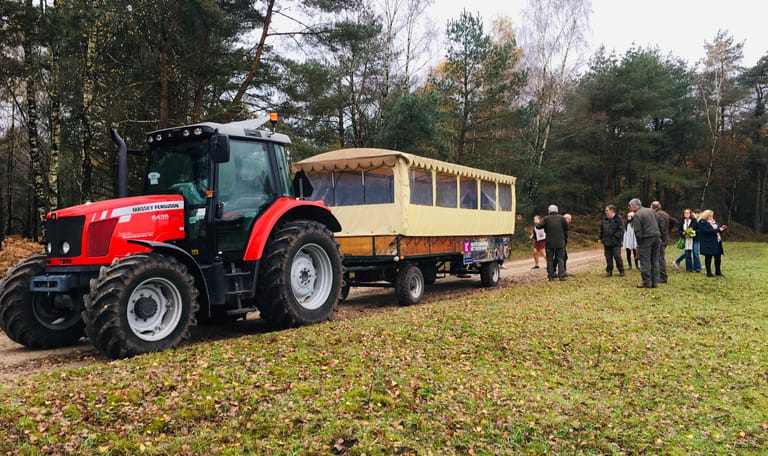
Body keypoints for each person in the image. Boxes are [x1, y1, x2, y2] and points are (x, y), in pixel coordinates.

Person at [629, 198, 661, 288]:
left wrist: (639, 243)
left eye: (630, 206)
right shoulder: (651, 211)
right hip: (656, 237)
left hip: (646, 239)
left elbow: (637, 231)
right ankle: (655, 282)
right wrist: (658, 234)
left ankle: (646, 282)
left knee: (645, 260)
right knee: (655, 260)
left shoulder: (637, 215)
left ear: (634, 206)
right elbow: (660, 222)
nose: (630, 208)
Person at [536, 204, 568, 281]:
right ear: (557, 210)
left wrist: (541, 223)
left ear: (549, 211)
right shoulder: (562, 218)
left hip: (549, 242)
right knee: (560, 258)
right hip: (560, 242)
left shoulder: (546, 218)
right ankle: (562, 275)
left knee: (549, 259)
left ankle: (551, 276)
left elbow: (538, 227)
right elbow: (566, 228)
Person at [650, 201, 676, 284]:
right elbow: (674, 222)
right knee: (660, 257)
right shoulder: (665, 214)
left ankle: (662, 277)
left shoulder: (657, 215)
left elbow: (658, 227)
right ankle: (660, 276)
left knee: (660, 258)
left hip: (660, 239)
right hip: (665, 238)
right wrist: (668, 231)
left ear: (654, 207)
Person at [697, 209, 726, 277]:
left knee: (718, 257)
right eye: (711, 215)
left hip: (717, 242)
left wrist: (722, 229)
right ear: (707, 216)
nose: (712, 217)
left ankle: (718, 271)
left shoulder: (714, 222)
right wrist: (718, 229)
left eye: (712, 215)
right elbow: (706, 231)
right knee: (708, 257)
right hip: (708, 242)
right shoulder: (702, 222)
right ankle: (709, 272)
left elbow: (717, 231)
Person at [598, 205, 625, 277]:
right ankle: (609, 271)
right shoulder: (604, 219)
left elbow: (621, 229)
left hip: (616, 242)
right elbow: (601, 229)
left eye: (607, 210)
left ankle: (621, 270)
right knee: (608, 257)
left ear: (612, 210)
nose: (606, 212)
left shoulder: (619, 218)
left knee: (617, 256)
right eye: (606, 210)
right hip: (606, 241)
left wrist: (616, 236)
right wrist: (600, 238)